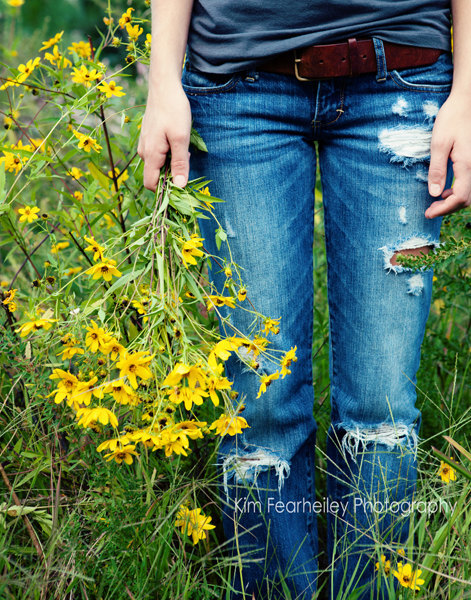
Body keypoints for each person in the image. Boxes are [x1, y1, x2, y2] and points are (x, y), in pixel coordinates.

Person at [138, 1, 471, 598]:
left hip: (401, 78)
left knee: (381, 410)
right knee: (260, 407)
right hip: (237, 89)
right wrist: (163, 79)